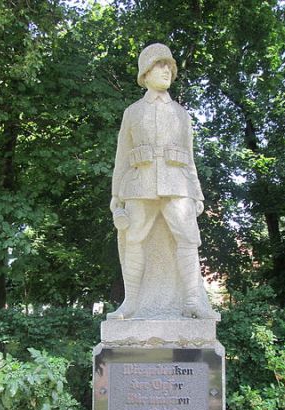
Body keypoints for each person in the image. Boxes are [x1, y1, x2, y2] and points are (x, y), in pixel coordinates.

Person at [108, 43, 215, 320]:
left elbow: (190, 157)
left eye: (169, 65)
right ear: (145, 73)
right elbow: (122, 155)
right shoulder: (132, 112)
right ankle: (131, 303)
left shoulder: (182, 114)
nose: (166, 70)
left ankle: (192, 301)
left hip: (177, 183)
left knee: (188, 240)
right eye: (160, 64)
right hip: (139, 183)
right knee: (134, 239)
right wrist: (116, 194)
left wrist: (197, 194)